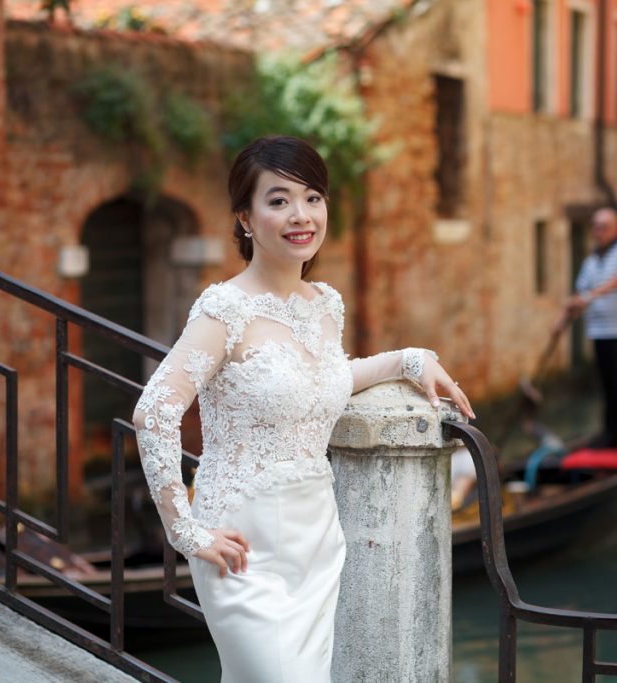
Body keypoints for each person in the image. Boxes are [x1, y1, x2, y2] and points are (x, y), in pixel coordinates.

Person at [131, 135, 474, 682]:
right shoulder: (225, 309)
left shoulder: (324, 305)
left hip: (316, 539)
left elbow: (324, 382)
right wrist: (185, 532)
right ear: (245, 218)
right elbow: (154, 413)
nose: (301, 215)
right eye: (279, 200)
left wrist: (408, 360)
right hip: (243, 545)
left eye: (313, 198)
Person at [555, 207, 617, 454]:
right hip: (600, 332)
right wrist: (561, 323)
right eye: (595, 227)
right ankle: (611, 434)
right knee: (609, 386)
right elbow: (579, 296)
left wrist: (588, 297)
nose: (598, 232)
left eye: (603, 227)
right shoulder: (591, 262)